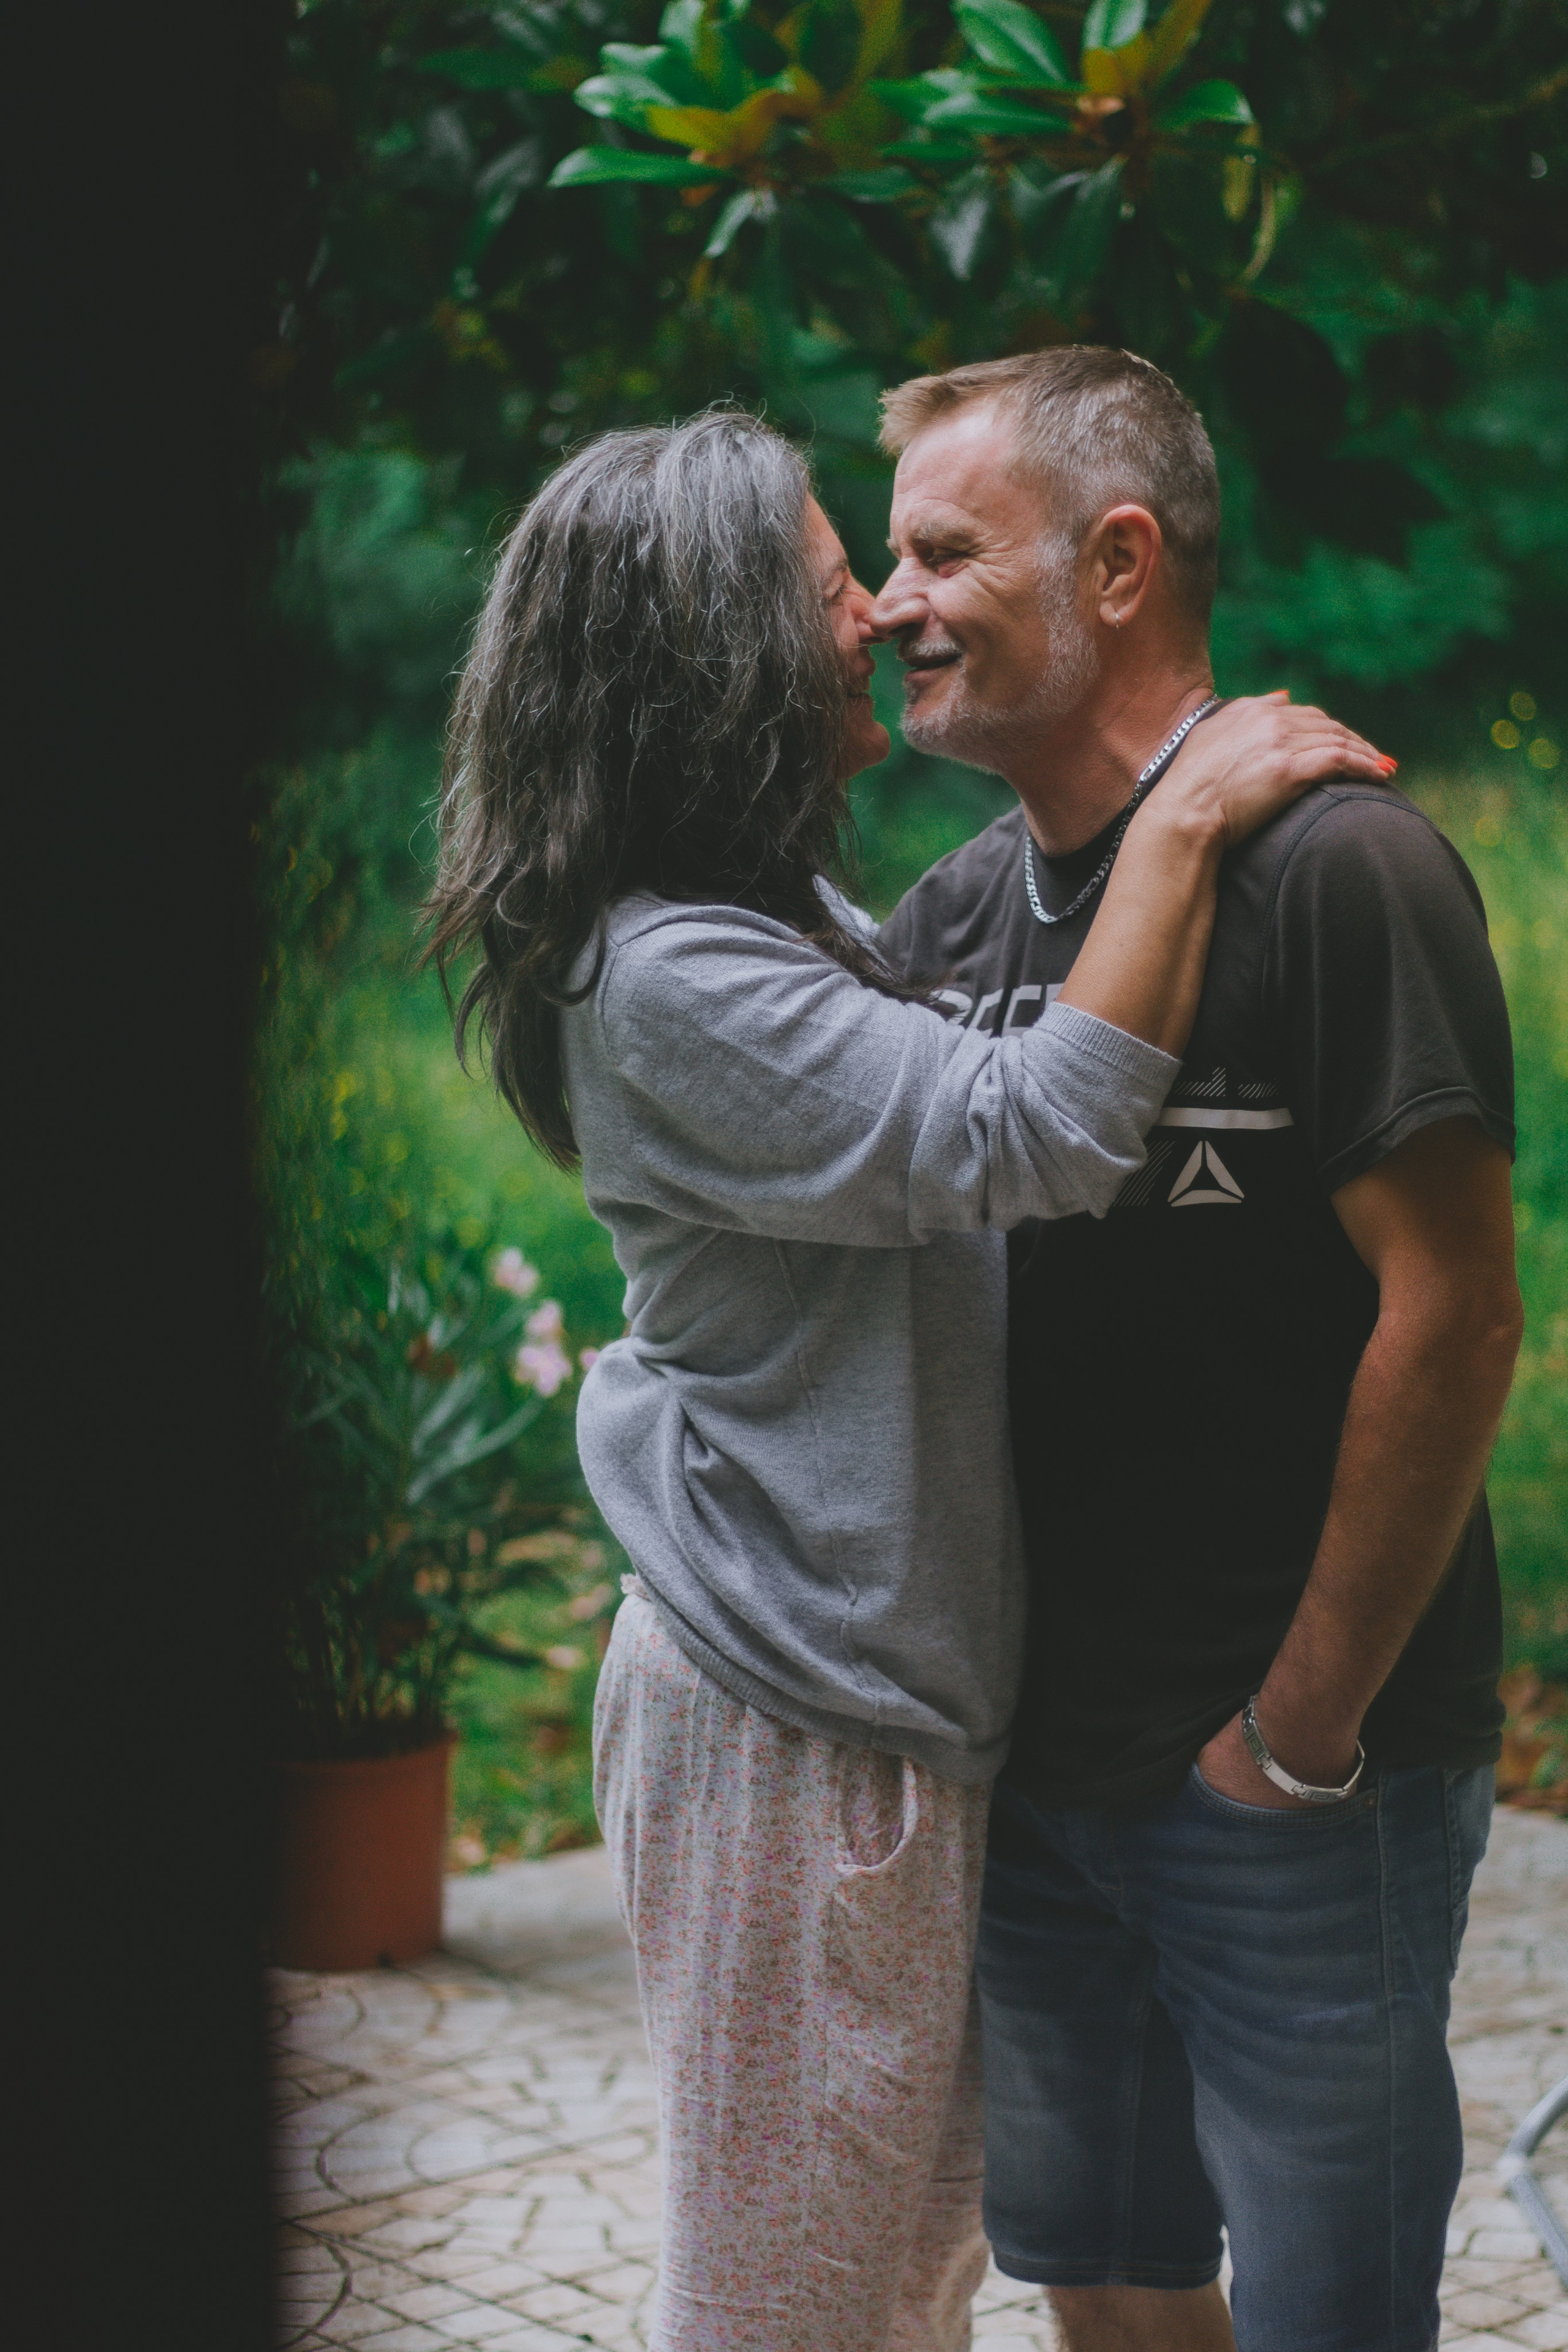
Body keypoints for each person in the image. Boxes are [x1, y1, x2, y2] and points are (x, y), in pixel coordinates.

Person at [423, 410, 1389, 2352]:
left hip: (873, 1701)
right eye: (821, 577)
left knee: (902, 2278)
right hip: (789, 1707)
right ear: (712, 652)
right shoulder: (670, 975)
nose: (870, 610)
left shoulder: (764, 920)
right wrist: (1188, 812)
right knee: (797, 2304)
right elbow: (1030, 1128)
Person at [874, 348, 1523, 2352]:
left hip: (1295, 1789)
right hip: (1038, 1782)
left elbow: (1459, 1316)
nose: (893, 602)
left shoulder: (1346, 872)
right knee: (1114, 2280)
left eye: (940, 550)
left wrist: (1299, 1735)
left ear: (1123, 561)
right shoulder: (949, 923)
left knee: (1334, 2312)